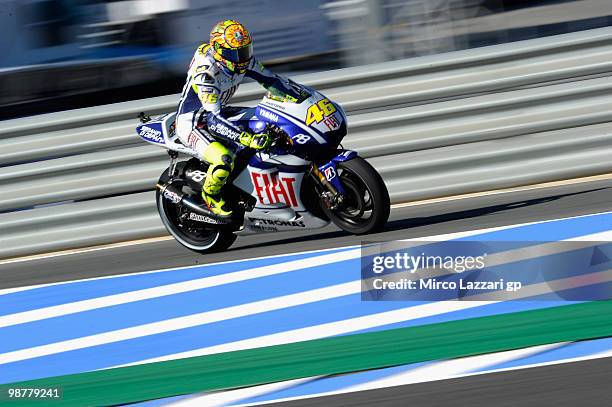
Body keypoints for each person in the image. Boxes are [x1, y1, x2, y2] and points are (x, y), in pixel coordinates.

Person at [175, 19, 300, 217]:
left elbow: (271, 80)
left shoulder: (241, 61)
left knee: (266, 120)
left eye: (244, 51)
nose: (241, 58)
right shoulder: (206, 73)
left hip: (219, 112)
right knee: (224, 159)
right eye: (234, 54)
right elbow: (213, 119)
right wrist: (247, 138)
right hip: (194, 121)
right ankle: (211, 195)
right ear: (218, 50)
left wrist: (298, 97)